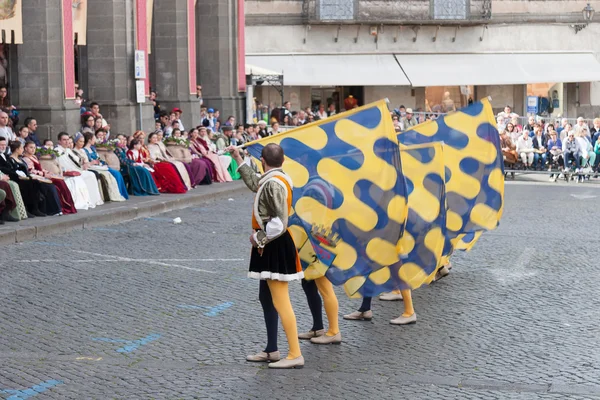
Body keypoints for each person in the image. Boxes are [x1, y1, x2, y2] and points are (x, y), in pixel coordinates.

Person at [229, 143, 304, 369]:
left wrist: (259, 238)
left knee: (281, 301)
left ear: (262, 160)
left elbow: (280, 222)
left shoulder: (274, 183)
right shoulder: (272, 178)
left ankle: (295, 354)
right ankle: (272, 349)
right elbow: (255, 184)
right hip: (270, 244)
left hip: (273, 243)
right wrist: (238, 158)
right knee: (266, 297)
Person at [0, 140, 62, 216]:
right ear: (17, 149)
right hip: (16, 177)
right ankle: (29, 209)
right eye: (22, 148)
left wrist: (44, 173)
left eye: (4, 145)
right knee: (32, 184)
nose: (3, 147)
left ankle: (38, 208)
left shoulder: (10, 157)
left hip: (24, 176)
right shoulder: (11, 158)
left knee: (39, 184)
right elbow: (8, 169)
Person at [22, 141, 77, 214]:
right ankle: (59, 208)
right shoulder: (26, 159)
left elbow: (40, 168)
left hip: (42, 174)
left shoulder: (34, 157)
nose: (33, 149)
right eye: (31, 147)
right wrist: (44, 174)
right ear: (26, 148)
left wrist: (47, 172)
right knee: (57, 183)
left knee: (61, 181)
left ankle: (67, 206)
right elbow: (31, 170)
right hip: (37, 177)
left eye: (34, 147)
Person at [55, 132, 104, 208]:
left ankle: (93, 199)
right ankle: (85, 200)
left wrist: (83, 163)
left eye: (68, 139)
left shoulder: (68, 150)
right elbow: (60, 164)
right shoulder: (57, 151)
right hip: (66, 173)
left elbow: (77, 161)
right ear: (59, 141)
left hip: (76, 170)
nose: (67, 141)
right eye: (64, 140)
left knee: (91, 175)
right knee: (84, 177)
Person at [81, 132, 127, 201]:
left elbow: (98, 158)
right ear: (90, 140)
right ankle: (116, 193)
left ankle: (120, 193)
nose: (95, 140)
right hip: (93, 167)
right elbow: (86, 162)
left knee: (117, 173)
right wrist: (93, 162)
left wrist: (102, 163)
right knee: (114, 173)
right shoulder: (84, 150)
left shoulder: (93, 149)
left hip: (99, 166)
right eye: (94, 138)